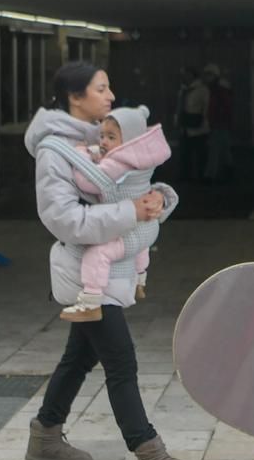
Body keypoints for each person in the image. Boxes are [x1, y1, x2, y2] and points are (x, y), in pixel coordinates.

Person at [24, 61, 196, 460]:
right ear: (74, 97)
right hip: (84, 275)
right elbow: (63, 219)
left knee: (80, 357)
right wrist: (130, 212)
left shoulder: (104, 139)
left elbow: (131, 190)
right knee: (121, 362)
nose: (111, 96)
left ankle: (45, 435)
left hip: (108, 271)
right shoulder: (55, 152)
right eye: (101, 89)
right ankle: (150, 455)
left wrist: (154, 199)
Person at [55, 106, 171, 322]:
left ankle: (90, 301)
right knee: (140, 251)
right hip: (148, 228)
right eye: (102, 136)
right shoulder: (142, 158)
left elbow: (89, 181)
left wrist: (80, 153)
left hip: (129, 231)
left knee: (97, 254)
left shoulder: (120, 161)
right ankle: (140, 281)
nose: (104, 142)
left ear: (129, 140)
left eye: (111, 137)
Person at [176, 65, 210, 183]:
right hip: (185, 125)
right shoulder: (183, 89)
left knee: (200, 153)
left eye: (188, 74)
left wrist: (204, 122)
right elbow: (179, 107)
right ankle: (186, 175)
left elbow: (206, 107)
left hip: (198, 125)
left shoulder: (202, 90)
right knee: (185, 152)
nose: (185, 77)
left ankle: (201, 175)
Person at [202, 63, 235, 184]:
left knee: (215, 150)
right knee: (224, 149)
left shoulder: (217, 90)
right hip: (221, 123)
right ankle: (228, 171)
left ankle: (210, 175)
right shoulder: (219, 89)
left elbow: (223, 108)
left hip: (219, 123)